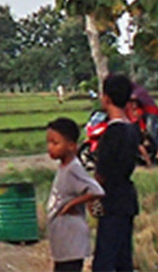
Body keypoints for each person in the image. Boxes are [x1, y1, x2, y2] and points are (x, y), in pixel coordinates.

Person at [92, 74, 141, 271]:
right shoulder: (132, 130)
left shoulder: (112, 133)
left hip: (111, 200)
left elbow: (102, 171)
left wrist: (92, 195)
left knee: (104, 261)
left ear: (107, 98)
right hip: (127, 198)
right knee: (123, 259)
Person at [45, 117, 104, 272]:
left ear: (71, 146)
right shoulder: (64, 167)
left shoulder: (73, 168)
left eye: (55, 143)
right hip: (64, 239)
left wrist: (72, 204)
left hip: (71, 238)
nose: (50, 147)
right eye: (49, 143)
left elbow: (97, 191)